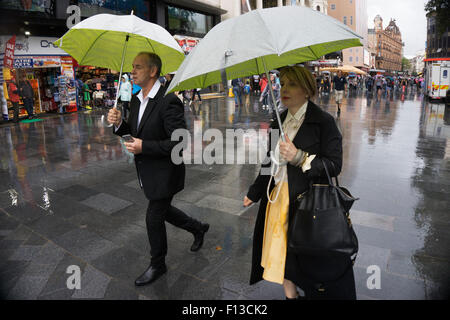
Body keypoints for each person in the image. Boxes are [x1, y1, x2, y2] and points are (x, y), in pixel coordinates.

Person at [243, 65, 355, 300]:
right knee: (283, 252)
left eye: (292, 84)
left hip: (307, 202)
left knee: (305, 255)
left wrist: (299, 157)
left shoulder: (323, 122)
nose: (284, 89)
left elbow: (334, 164)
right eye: (282, 83)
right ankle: (290, 296)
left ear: (307, 90)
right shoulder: (278, 120)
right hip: (277, 198)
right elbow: (268, 161)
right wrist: (254, 192)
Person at [107, 52, 209, 286]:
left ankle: (158, 264)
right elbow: (132, 134)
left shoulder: (168, 100)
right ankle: (198, 228)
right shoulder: (135, 99)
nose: (132, 71)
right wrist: (119, 123)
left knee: (153, 217)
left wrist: (145, 146)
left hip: (166, 171)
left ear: (153, 71)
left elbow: (180, 141)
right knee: (164, 211)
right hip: (147, 169)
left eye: (138, 67)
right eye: (132, 67)